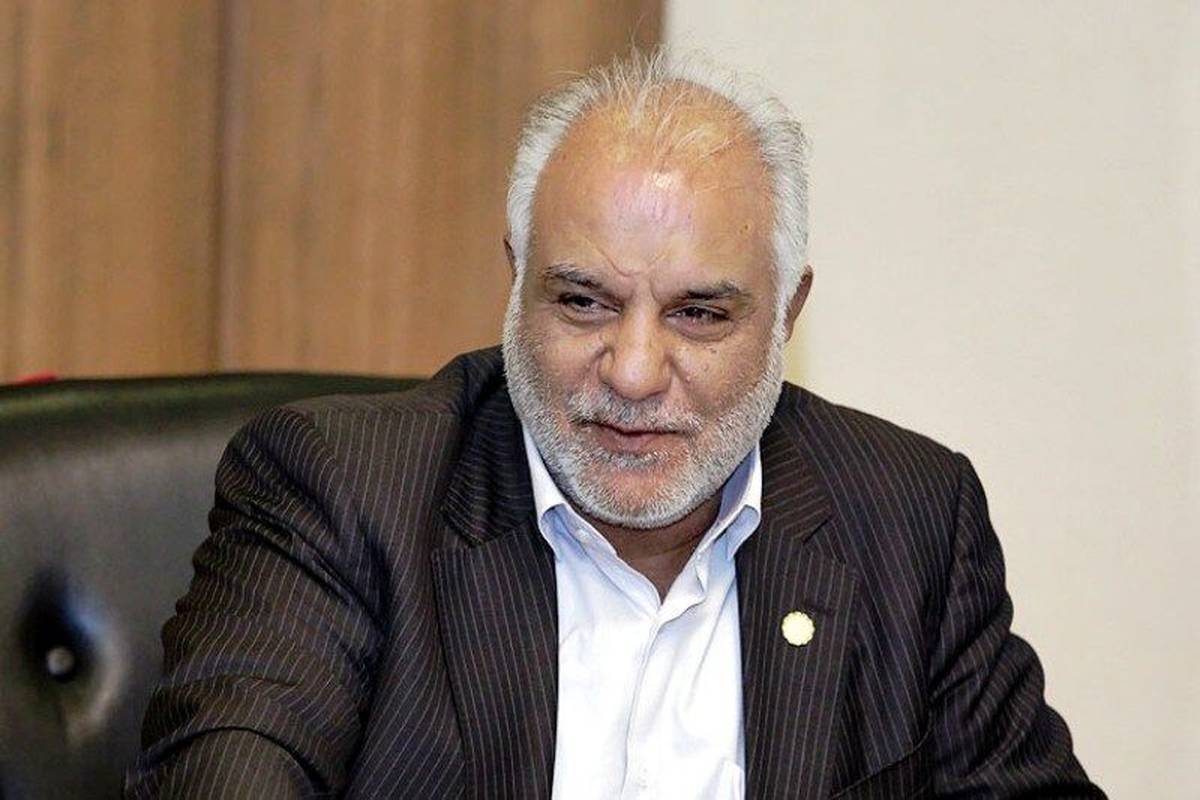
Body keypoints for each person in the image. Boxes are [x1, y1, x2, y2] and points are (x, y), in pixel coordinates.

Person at [127, 52, 1103, 799]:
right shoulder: (342, 488)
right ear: (517, 283)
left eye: (699, 313)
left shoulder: (908, 517)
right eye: (584, 302)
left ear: (787, 313)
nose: (633, 372)